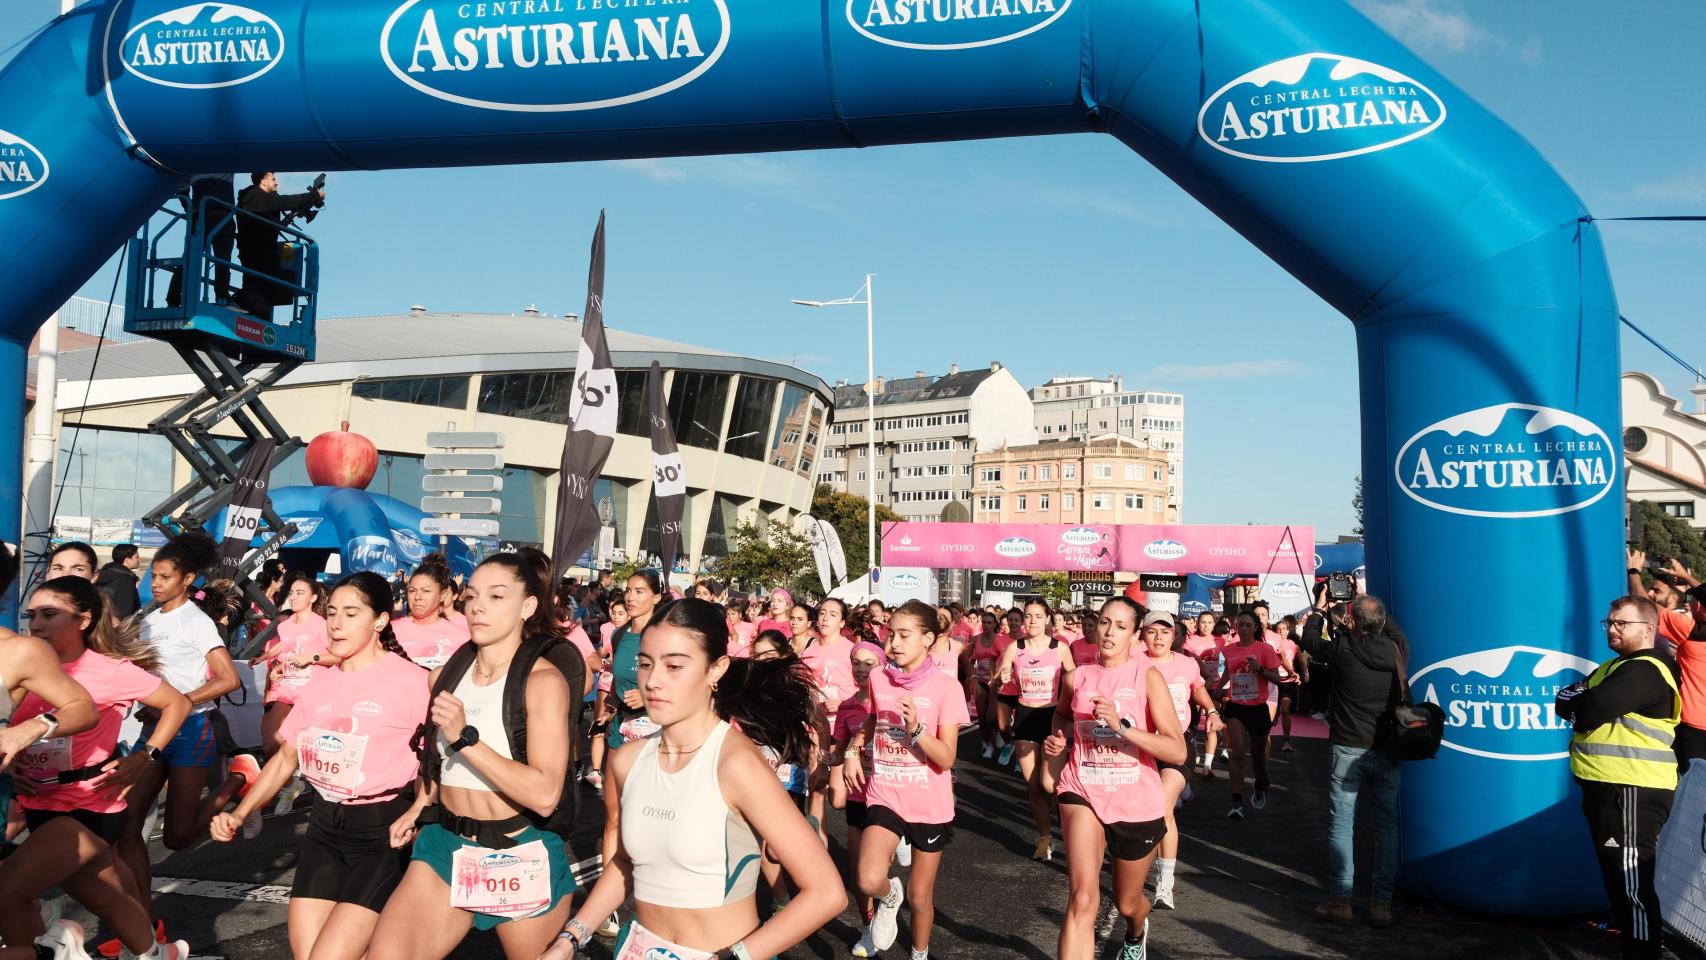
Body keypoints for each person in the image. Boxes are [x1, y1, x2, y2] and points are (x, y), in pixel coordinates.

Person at [542, 599, 844, 959]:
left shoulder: (736, 764)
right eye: (645, 664)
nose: (653, 681)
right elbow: (624, 862)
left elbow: (826, 892)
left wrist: (737, 956)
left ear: (715, 670)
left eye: (674, 666)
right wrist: (570, 938)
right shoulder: (625, 761)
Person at [367, 554, 576, 960]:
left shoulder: (543, 682)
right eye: (472, 595)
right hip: (446, 845)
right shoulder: (444, 675)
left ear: (527, 607)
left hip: (518, 852)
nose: (478, 606)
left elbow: (546, 792)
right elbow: (438, 760)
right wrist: (421, 806)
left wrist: (465, 737)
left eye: (497, 596)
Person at [211, 572, 428, 960]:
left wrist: (418, 810)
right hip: (325, 829)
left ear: (380, 621)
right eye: (331, 613)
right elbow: (285, 759)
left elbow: (439, 763)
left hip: (382, 833)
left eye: (351, 613)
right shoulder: (321, 682)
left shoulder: (414, 682)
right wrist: (241, 812)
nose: (336, 623)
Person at [2, 576, 191, 960]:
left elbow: (178, 704)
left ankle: (49, 945)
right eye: (31, 614)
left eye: (49, 614)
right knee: (106, 898)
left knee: (8, 890)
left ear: (83, 620)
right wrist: (13, 769)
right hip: (39, 801)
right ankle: (157, 954)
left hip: (90, 803)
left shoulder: (109, 670)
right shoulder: (25, 667)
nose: (36, 623)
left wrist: (144, 756)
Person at [117, 532, 253, 948]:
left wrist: (178, 701)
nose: (155, 583)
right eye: (152, 576)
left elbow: (228, 679)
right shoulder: (147, 618)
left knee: (176, 838)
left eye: (164, 576)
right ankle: (144, 921)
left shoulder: (198, 622)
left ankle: (237, 781)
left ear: (187, 578)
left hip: (191, 730)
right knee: (126, 824)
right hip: (153, 729)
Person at [1047, 596, 1185, 960]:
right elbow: (1061, 716)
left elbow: (1177, 751)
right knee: (1081, 898)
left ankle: (1137, 930)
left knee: (1127, 903)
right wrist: (1060, 741)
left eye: (1121, 626)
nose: (1109, 632)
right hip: (1082, 790)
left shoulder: (1147, 677)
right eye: (1105, 622)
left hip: (1135, 800)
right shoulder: (1077, 676)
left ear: (1135, 635)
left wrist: (1122, 727)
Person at [841, 600, 969, 960]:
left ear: (927, 639)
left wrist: (916, 730)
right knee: (867, 879)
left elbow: (946, 759)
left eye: (904, 635)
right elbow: (872, 720)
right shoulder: (880, 677)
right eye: (890, 633)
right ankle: (888, 895)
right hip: (885, 794)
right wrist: (853, 751)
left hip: (929, 804)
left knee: (920, 897)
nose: (893, 642)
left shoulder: (947, 688)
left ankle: (919, 953)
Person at [1556, 595, 1681, 960]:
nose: (1612, 628)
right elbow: (1564, 699)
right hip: (1610, 787)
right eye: (1609, 622)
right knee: (1619, 880)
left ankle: (1644, 953)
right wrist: (1582, 702)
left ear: (1648, 629)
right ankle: (1639, 947)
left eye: (1621, 623)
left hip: (1632, 789)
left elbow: (1590, 706)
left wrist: (1583, 704)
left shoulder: (1645, 669)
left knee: (1631, 884)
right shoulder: (1613, 667)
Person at [1299, 590, 1406, 927]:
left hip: (1348, 746)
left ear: (1354, 620)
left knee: (1343, 824)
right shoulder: (1396, 649)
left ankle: (1340, 901)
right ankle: (1382, 904)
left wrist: (1320, 608)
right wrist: (1372, 608)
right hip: (1387, 748)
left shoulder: (1343, 648)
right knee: (1386, 826)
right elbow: (1396, 632)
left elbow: (1310, 640)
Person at [1141, 610, 1223, 910]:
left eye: (1165, 631)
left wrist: (1212, 712)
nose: (1159, 637)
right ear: (1143, 634)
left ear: (1174, 635)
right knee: (1149, 810)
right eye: (1152, 631)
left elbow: (1198, 689)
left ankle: (1165, 884)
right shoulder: (1135, 663)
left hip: (1178, 744)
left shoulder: (1186, 664)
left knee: (1162, 805)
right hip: (1141, 744)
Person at [995, 598, 1076, 861]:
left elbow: (1075, 682)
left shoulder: (1060, 648)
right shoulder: (1013, 648)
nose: (1032, 621)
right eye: (1028, 616)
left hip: (1053, 717)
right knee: (1033, 787)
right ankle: (1045, 839)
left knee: (1051, 784)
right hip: (1025, 716)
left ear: (1047, 619)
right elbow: (997, 683)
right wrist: (1001, 678)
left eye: (1038, 616)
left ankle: (1073, 828)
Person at [1630, 549, 1706, 772]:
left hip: (1695, 728)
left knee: (1691, 792)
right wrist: (1685, 578)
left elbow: (1643, 605)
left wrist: (1634, 571)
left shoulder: (1691, 632)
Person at [828, 641, 885, 924]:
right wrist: (822, 763)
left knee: (874, 872)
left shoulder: (892, 704)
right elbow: (837, 753)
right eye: (856, 663)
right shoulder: (847, 707)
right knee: (856, 866)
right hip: (858, 794)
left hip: (888, 795)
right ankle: (868, 923)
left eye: (869, 664)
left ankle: (886, 904)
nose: (861, 669)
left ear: (883, 667)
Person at [1214, 611, 1284, 819]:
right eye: (1240, 625)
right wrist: (1219, 688)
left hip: (1258, 707)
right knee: (1236, 751)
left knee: (1257, 755)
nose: (1243, 629)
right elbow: (1229, 671)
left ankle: (1260, 781)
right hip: (1236, 706)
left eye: (1247, 625)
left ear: (1255, 628)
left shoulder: (1265, 649)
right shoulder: (1228, 650)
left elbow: (1278, 679)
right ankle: (1237, 802)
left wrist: (1260, 668)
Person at [234, 172, 324, 320]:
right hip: (257, 253)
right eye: (273, 179)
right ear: (263, 181)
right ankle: (242, 303)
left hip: (260, 252)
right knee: (259, 288)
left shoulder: (260, 199)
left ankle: (251, 308)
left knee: (264, 287)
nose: (277, 183)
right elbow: (285, 201)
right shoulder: (255, 196)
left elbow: (279, 203)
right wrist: (313, 196)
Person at [392, 554, 471, 671]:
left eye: (426, 591)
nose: (417, 597)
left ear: (443, 594)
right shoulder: (390, 630)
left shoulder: (464, 635)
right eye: (412, 590)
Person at [965, 612, 1003, 759]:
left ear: (995, 624)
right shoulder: (975, 639)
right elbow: (966, 659)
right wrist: (972, 675)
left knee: (991, 717)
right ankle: (988, 744)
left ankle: (998, 731)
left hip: (996, 682)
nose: (986, 625)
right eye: (984, 622)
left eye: (989, 623)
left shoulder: (1000, 640)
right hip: (980, 681)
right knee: (982, 717)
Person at [96, 544, 142, 620]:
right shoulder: (126, 580)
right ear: (127, 560)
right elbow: (126, 613)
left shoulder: (101, 575)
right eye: (136, 557)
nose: (139, 560)